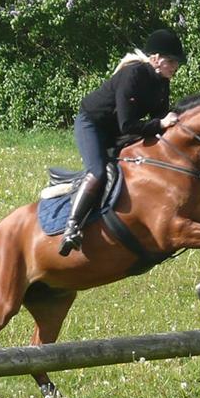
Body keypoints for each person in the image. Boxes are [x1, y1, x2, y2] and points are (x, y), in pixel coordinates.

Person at [58, 28, 185, 256]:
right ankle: (72, 227)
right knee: (98, 172)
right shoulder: (133, 75)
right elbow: (130, 125)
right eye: (171, 61)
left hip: (118, 129)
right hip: (93, 124)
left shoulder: (162, 82)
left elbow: (158, 121)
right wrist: (161, 124)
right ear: (155, 58)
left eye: (177, 62)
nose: (175, 66)